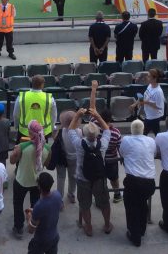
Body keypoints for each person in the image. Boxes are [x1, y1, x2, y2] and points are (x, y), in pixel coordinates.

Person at [66, 106, 112, 238]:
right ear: (98, 134)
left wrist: (77, 115)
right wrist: (98, 116)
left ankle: (89, 227)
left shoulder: (79, 144)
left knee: (85, 205)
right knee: (104, 203)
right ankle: (107, 224)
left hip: (83, 179)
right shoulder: (102, 144)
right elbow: (107, 130)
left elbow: (70, 131)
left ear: (84, 134)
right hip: (99, 178)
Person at [10, 120, 50, 239]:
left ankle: (18, 228)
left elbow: (12, 161)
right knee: (35, 203)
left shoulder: (21, 147)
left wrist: (14, 152)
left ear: (29, 132)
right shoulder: (47, 148)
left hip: (21, 181)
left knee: (18, 204)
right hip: (36, 182)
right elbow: (46, 164)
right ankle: (33, 223)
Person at [25, 172, 63, 254]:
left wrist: (29, 217)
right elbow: (58, 207)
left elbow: (31, 229)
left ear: (39, 187)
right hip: (54, 237)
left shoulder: (39, 206)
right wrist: (35, 211)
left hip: (41, 241)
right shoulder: (57, 195)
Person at [134, 68, 165, 135]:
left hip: (154, 117)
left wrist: (145, 102)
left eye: (148, 76)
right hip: (149, 114)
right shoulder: (150, 86)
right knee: (156, 133)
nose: (147, 77)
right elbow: (145, 96)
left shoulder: (158, 92)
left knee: (145, 133)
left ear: (154, 78)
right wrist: (135, 104)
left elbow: (158, 106)